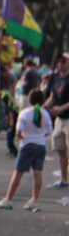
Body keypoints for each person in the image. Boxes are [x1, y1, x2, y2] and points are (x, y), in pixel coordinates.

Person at [0, 90, 52, 211]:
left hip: (27, 145)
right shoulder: (45, 113)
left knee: (18, 173)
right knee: (37, 173)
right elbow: (48, 131)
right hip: (41, 146)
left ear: (29, 99)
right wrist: (39, 136)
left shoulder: (24, 113)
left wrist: (21, 137)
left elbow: (18, 132)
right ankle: (34, 200)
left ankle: (8, 199)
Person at [43, 52, 69, 189]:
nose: (60, 63)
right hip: (59, 119)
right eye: (59, 61)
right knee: (60, 148)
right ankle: (64, 180)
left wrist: (61, 108)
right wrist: (42, 107)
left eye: (64, 61)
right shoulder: (55, 77)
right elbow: (53, 95)